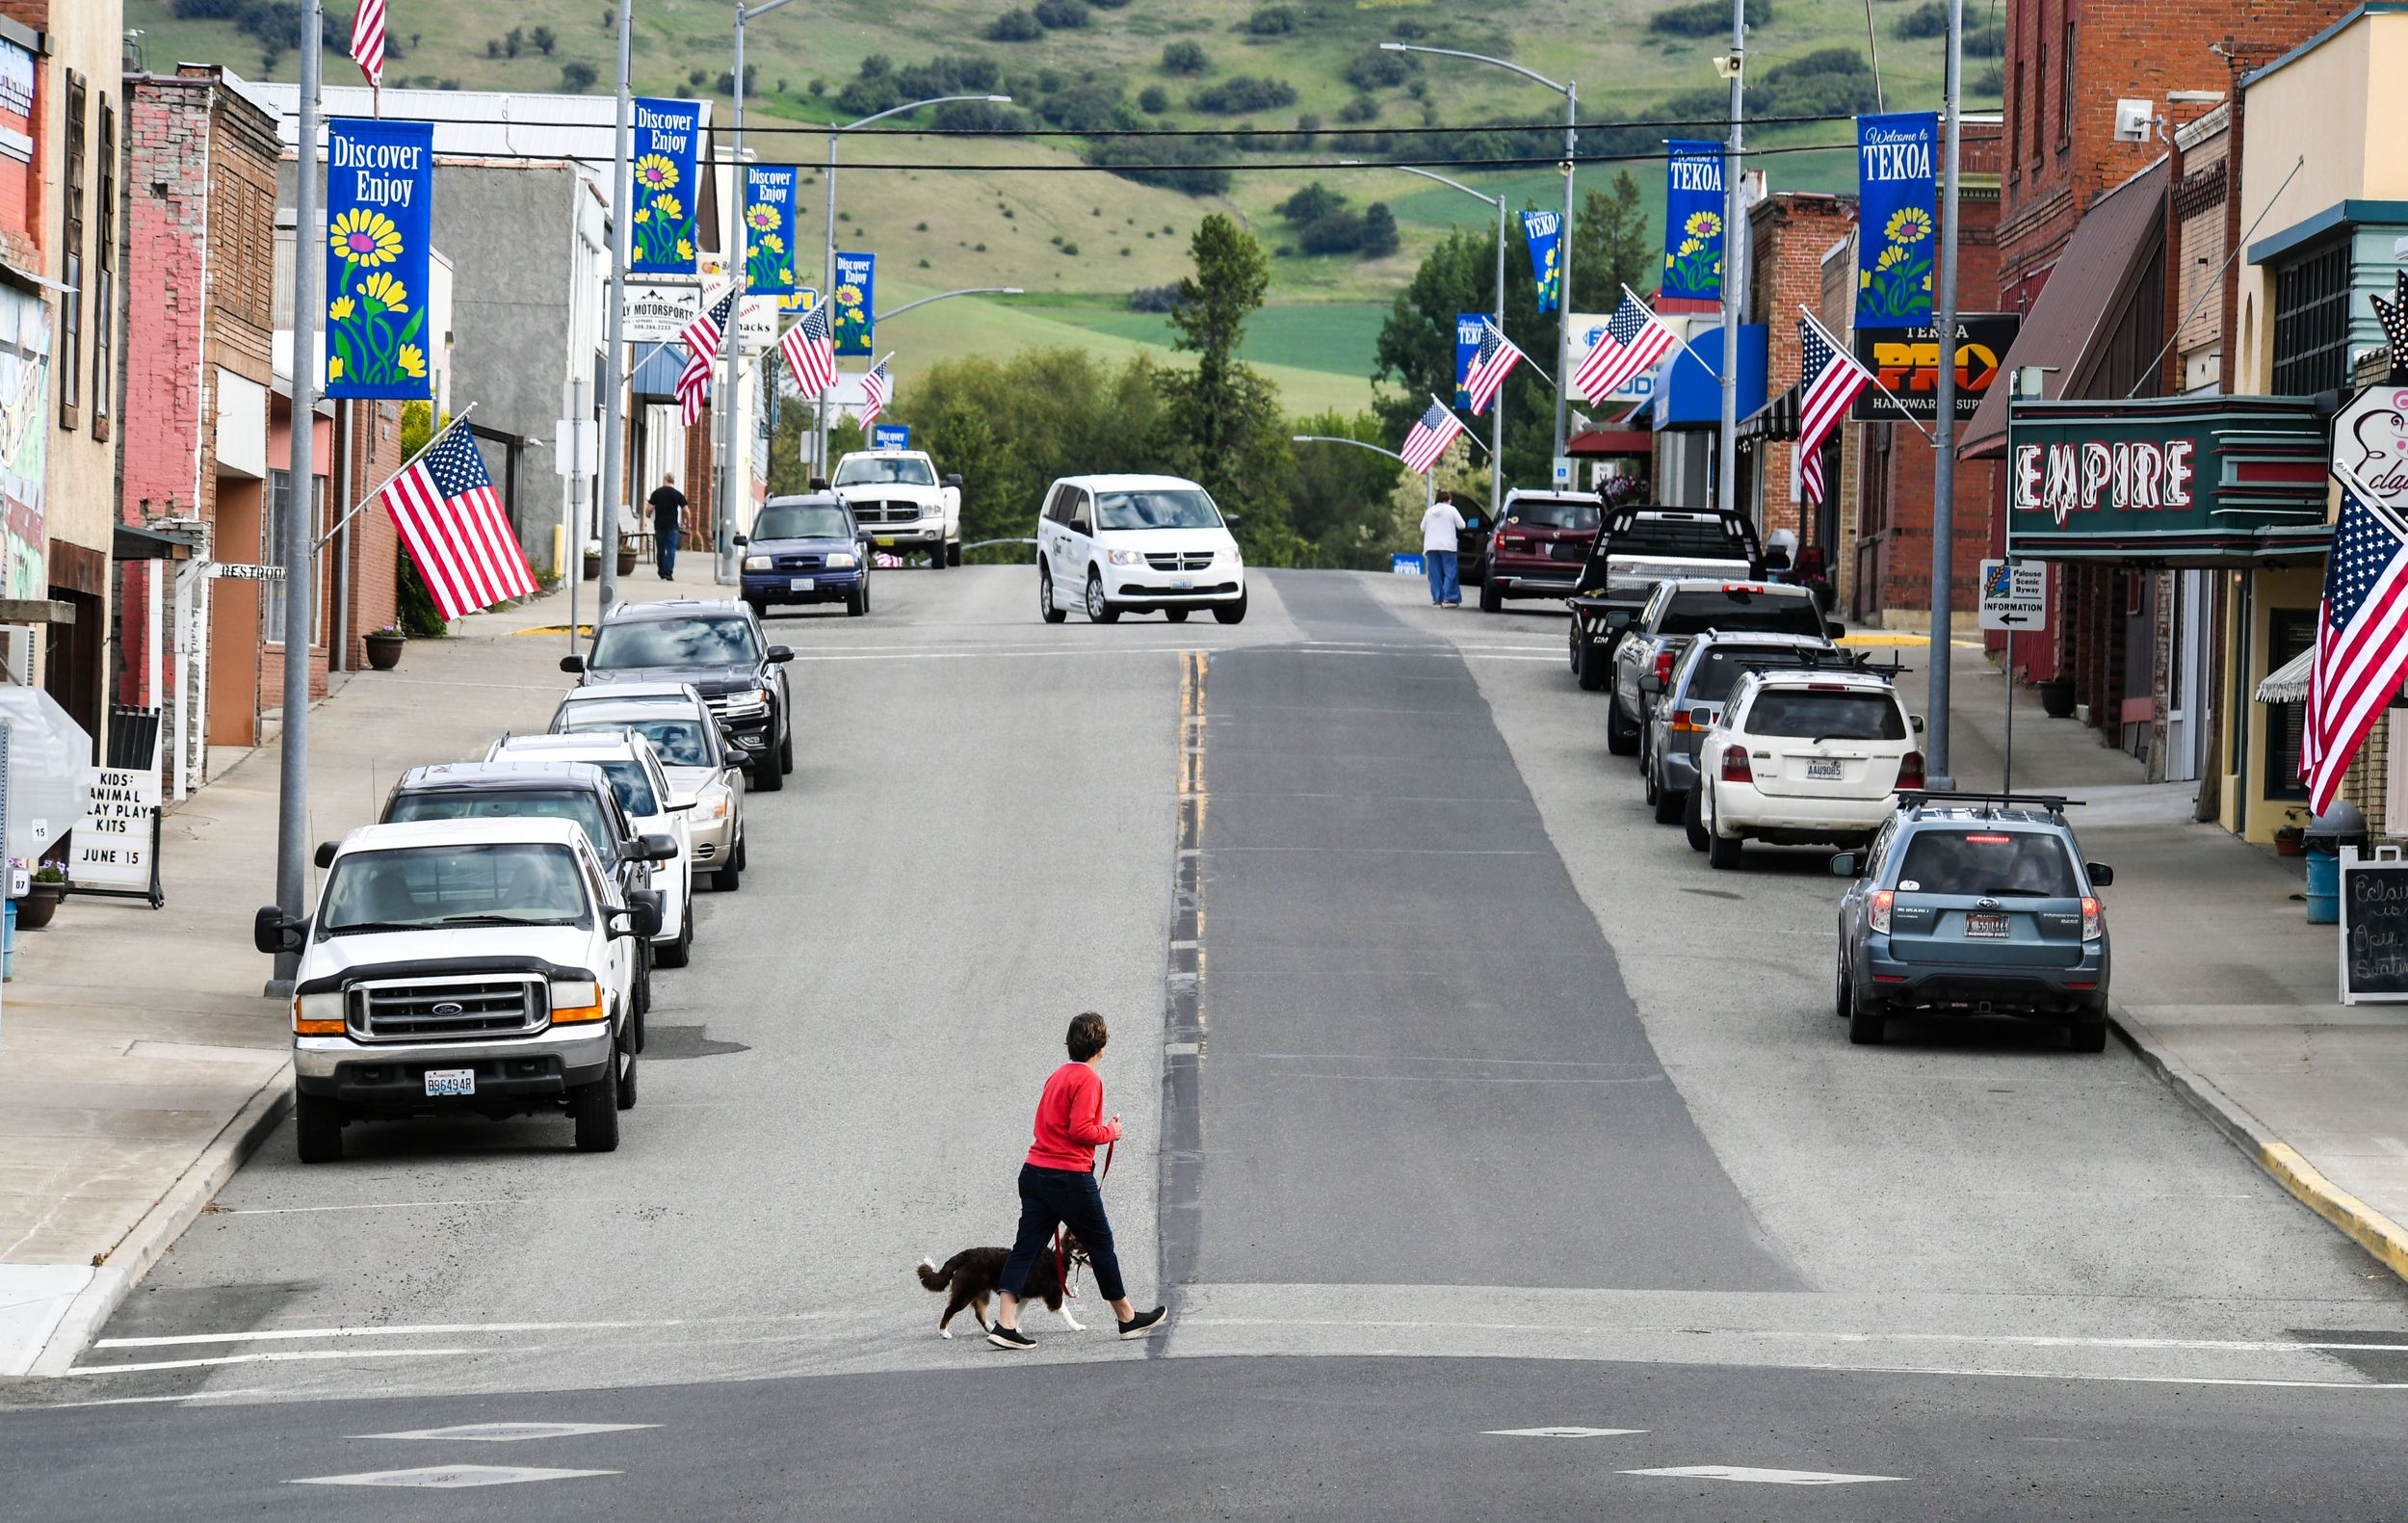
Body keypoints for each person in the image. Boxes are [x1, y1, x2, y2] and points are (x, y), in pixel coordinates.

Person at [989, 1011, 1167, 1350]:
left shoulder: (1057, 1076)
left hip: (1034, 1172)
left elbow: (1052, 1125)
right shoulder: (1088, 1079)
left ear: (1070, 1044)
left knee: (1024, 1250)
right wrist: (1110, 1131)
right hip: (1068, 1176)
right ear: (1101, 1047)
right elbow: (1080, 1130)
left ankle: (1005, 1323)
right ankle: (1127, 1318)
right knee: (1101, 1245)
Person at [1421, 490, 1466, 608]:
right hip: (1447, 546)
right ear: (1449, 500)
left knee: (1434, 574)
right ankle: (1449, 598)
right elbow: (1462, 525)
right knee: (1450, 572)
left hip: (1431, 546)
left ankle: (1437, 599)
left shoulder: (1429, 511)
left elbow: (1422, 527)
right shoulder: (1452, 510)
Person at [648, 474, 686, 580]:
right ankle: (668, 572)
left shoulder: (657, 493)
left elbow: (649, 508)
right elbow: (686, 510)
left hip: (659, 525)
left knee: (660, 549)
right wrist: (685, 520)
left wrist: (648, 514)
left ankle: (661, 571)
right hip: (672, 526)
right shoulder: (677, 494)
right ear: (672, 482)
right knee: (671, 549)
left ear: (664, 480)